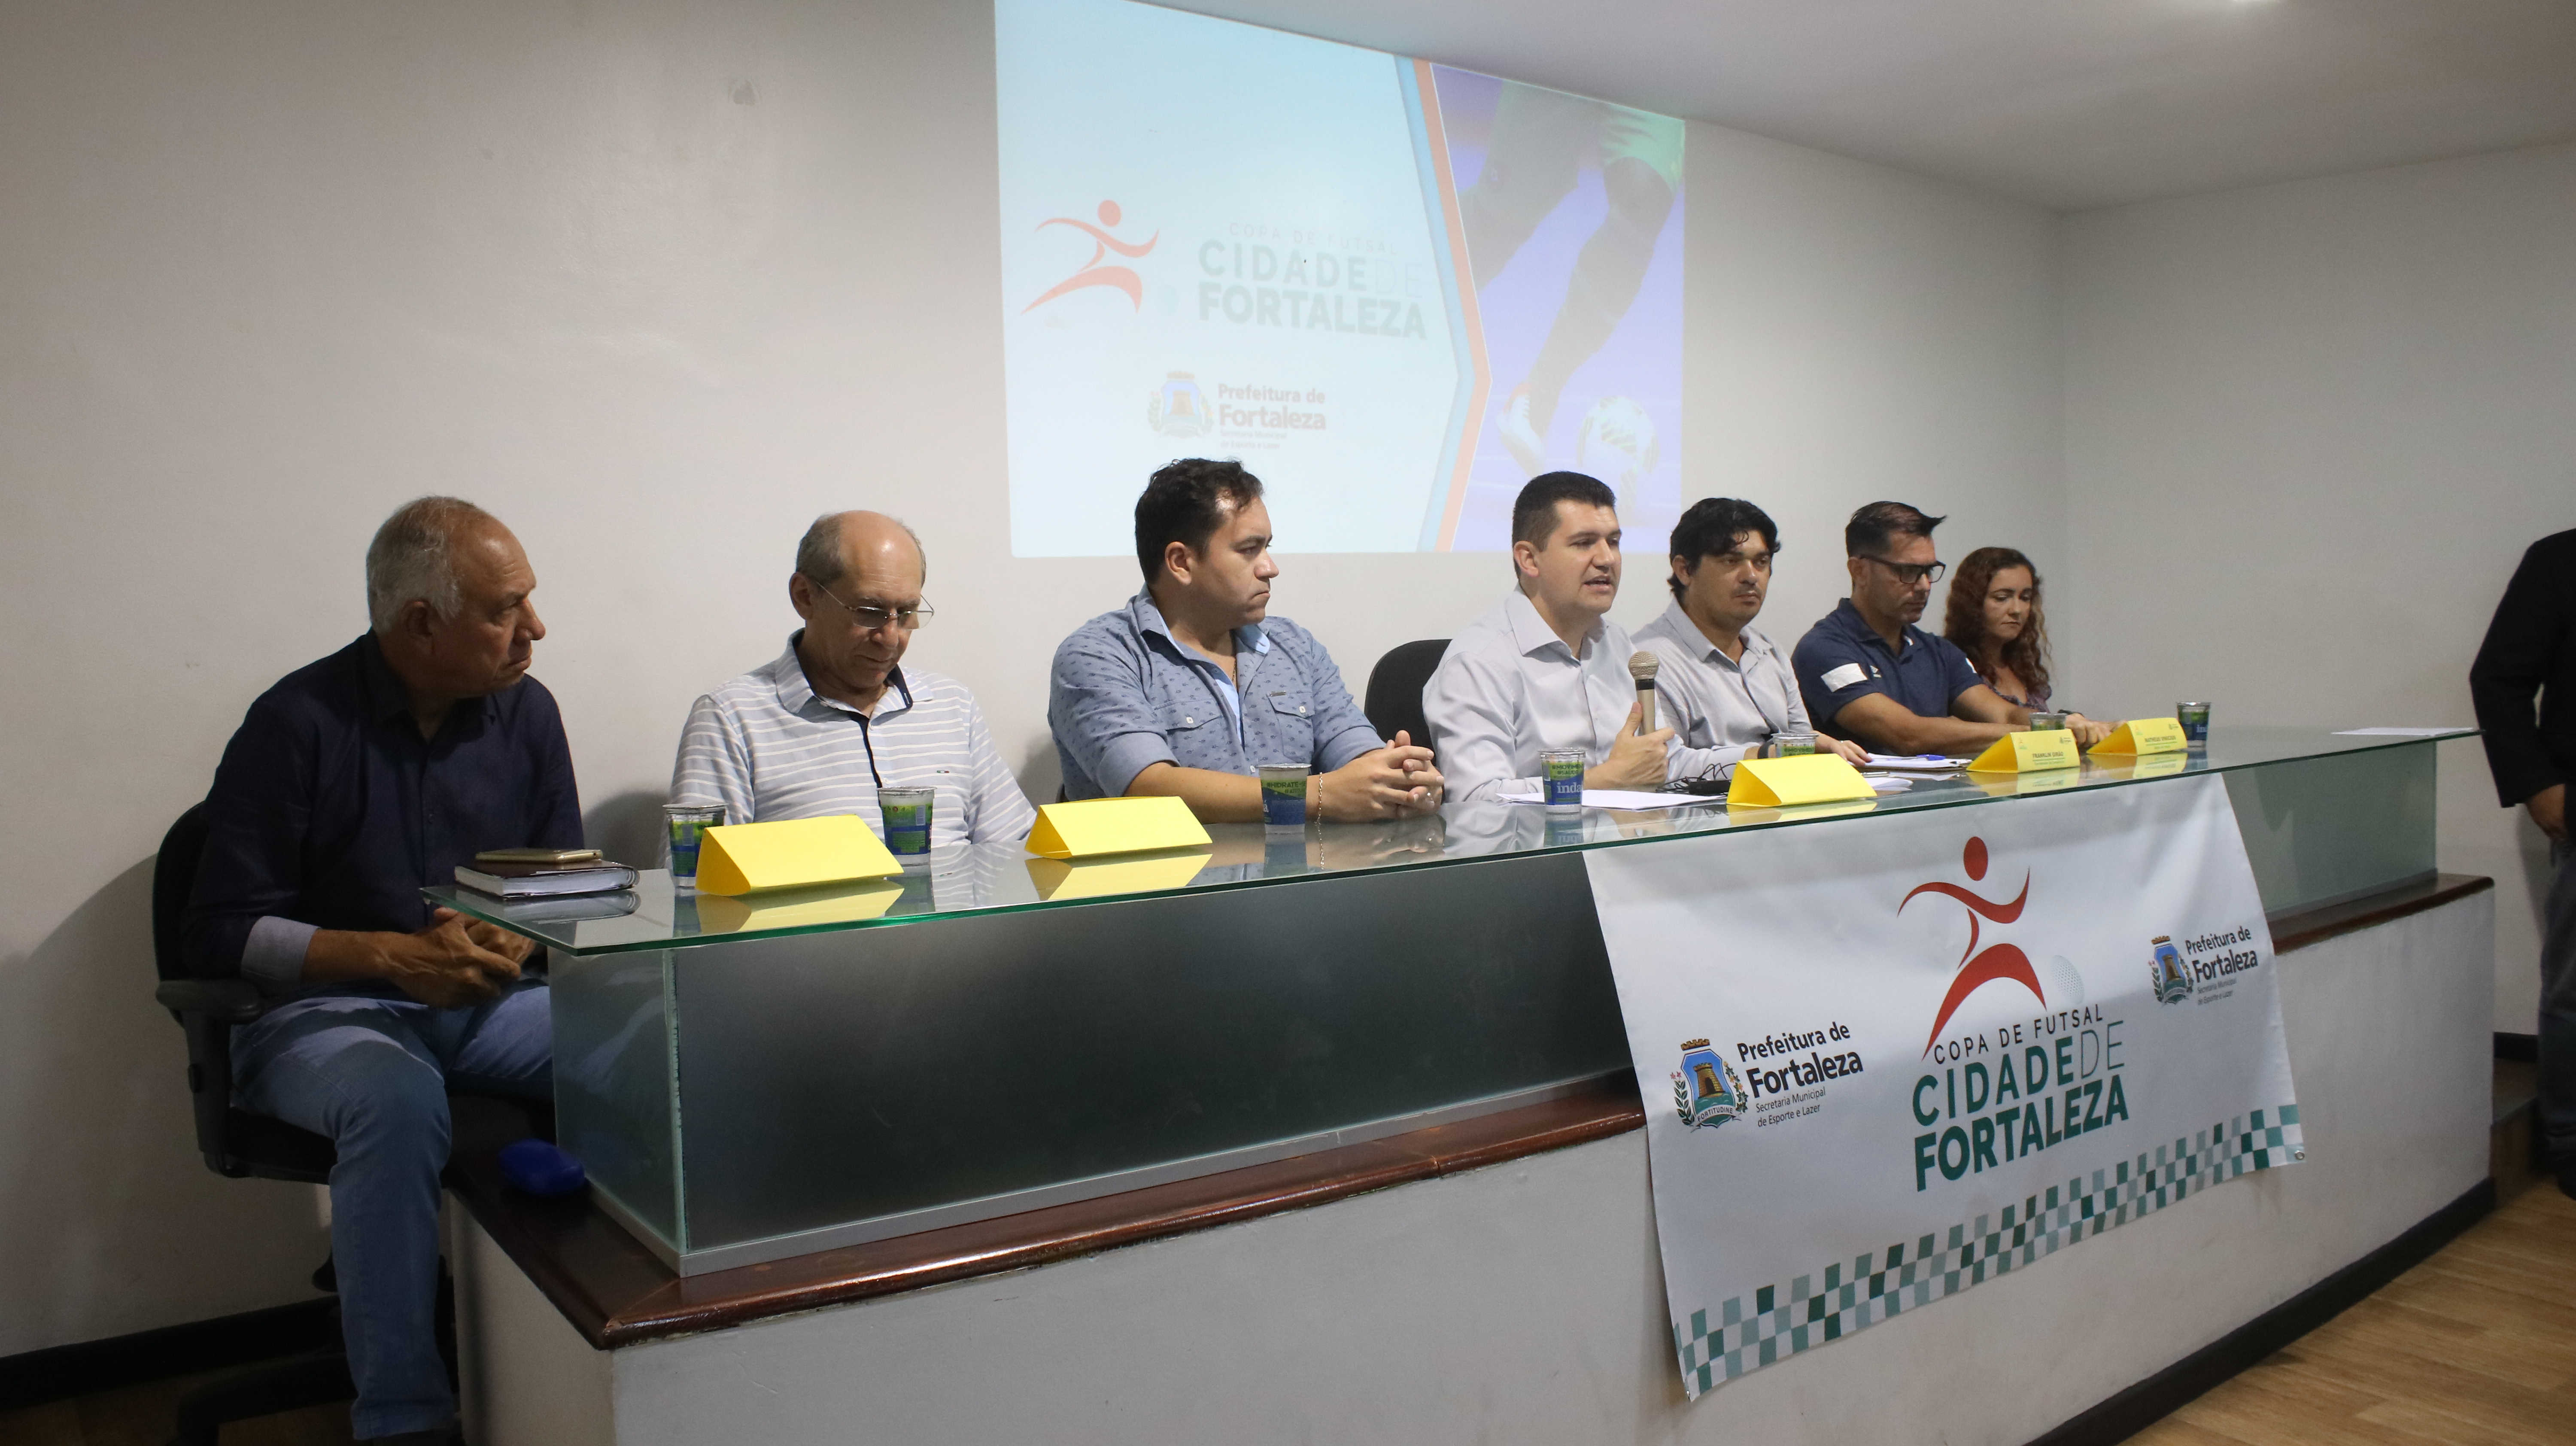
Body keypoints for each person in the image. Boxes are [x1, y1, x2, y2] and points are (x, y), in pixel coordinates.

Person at [184, 498, 577, 1446]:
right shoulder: (295, 724)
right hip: (318, 1015)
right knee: (395, 1103)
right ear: (419, 623)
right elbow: (220, 933)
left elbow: (570, 886)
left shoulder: (526, 712)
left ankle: (592, 1345)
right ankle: (406, 1420)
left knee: (642, 1048)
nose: (535, 629)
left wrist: (514, 943)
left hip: (485, 1004)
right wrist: (397, 957)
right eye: (505, 610)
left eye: (530, 602)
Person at [1049, 459, 1442, 822]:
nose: (1270, 568)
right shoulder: (1099, 655)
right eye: (1249, 550)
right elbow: (1148, 789)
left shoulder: (1295, 646)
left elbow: (1355, 750)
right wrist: (1316, 796)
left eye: (1268, 547)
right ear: (1181, 562)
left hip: (1295, 885)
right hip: (1159, 891)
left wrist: (1401, 779)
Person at [671, 511, 1034, 845]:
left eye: (906, 613)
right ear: (804, 597)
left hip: (960, 916)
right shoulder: (731, 717)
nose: (891, 638)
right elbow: (697, 881)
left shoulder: (951, 705)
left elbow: (1014, 848)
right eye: (869, 612)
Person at [1425, 471, 1677, 800]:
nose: (1607, 560)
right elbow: (1477, 800)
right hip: (1538, 849)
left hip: (1623, 842)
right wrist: (1605, 780)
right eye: (1584, 543)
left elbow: (1667, 761)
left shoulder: (1615, 643)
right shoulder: (1479, 661)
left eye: (1613, 542)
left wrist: (1757, 757)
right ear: (1529, 559)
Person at [1792, 502, 2111, 756]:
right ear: (1859, 570)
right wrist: (2043, 735)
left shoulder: (1938, 651)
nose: (1924, 586)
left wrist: (2062, 724)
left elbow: (2002, 714)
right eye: (1908, 571)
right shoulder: (1824, 649)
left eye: (1929, 571)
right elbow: (1907, 735)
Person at [2469, 528, 2576, 1199]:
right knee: (2575, 990)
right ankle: (2569, 1138)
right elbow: (2499, 678)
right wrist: (2537, 783)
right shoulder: (2560, 559)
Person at [1634, 497, 1867, 778]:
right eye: (1732, 561)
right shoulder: (1649, 659)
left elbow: (1800, 740)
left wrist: (1817, 746)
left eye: (1762, 562)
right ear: (1685, 570)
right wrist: (1766, 755)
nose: (1751, 576)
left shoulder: (1770, 651)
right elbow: (1666, 766)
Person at [1943, 546, 2064, 711]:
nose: (2017, 610)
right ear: (1973, 603)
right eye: (2002, 598)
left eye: (2025, 598)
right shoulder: (1952, 664)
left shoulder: (2022, 666)